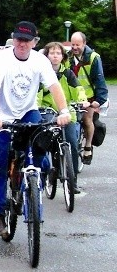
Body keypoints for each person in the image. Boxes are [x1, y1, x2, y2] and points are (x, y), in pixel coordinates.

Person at [0, 21, 71, 239]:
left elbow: (54, 86)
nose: (22, 44)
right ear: (14, 39)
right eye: (19, 39)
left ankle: (34, 185)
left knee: (41, 143)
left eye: (27, 40)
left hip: (27, 112)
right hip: (1, 116)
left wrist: (64, 111)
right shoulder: (2, 59)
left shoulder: (40, 60)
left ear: (35, 42)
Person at [37, 42, 89, 193]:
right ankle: (47, 171)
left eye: (58, 53)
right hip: (48, 111)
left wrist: (83, 101)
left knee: (72, 143)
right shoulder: (42, 75)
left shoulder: (68, 74)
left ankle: (72, 183)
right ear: (46, 56)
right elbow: (37, 94)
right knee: (45, 141)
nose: (55, 56)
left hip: (67, 113)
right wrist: (36, 106)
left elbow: (78, 89)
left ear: (63, 56)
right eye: (52, 53)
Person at [69, 31, 108, 165]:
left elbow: (100, 80)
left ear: (84, 44)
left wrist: (99, 100)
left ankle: (88, 146)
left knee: (87, 121)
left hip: (88, 97)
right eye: (72, 44)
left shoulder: (93, 57)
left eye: (77, 45)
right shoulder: (67, 57)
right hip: (71, 97)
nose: (74, 47)